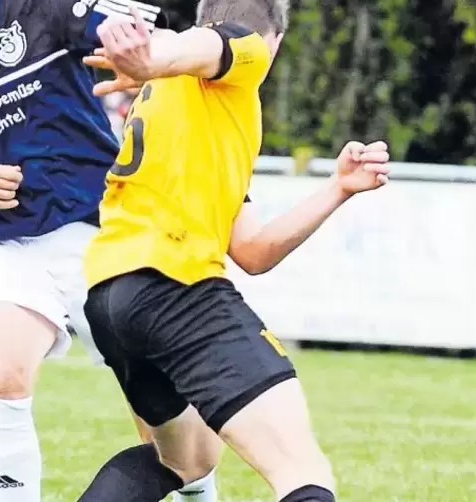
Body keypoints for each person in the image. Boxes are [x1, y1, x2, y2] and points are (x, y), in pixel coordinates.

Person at [0, 0, 218, 501]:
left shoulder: (46, 8)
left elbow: (155, 37)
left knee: (163, 421)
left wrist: (149, 61)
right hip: (7, 246)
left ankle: (200, 491)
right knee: (1, 377)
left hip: (100, 233)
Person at [76, 1, 392, 501]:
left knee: (185, 460)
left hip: (110, 294)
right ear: (275, 42)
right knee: (302, 470)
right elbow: (201, 43)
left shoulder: (199, 110)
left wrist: (338, 188)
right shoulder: (242, 50)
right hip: (173, 283)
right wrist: (149, 56)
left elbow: (252, 250)